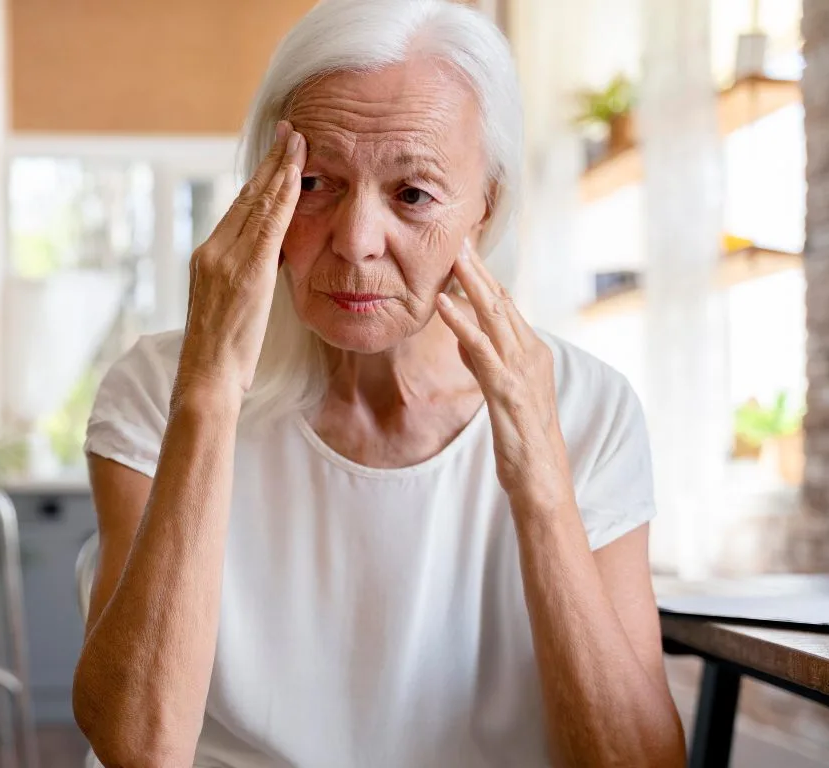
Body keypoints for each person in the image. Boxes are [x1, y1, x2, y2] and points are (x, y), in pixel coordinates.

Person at [73, 1, 687, 765]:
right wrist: (208, 392)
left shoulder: (590, 409)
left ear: (486, 209)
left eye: (413, 194)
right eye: (317, 182)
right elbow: (139, 746)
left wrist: (541, 484)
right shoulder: (159, 387)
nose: (357, 243)